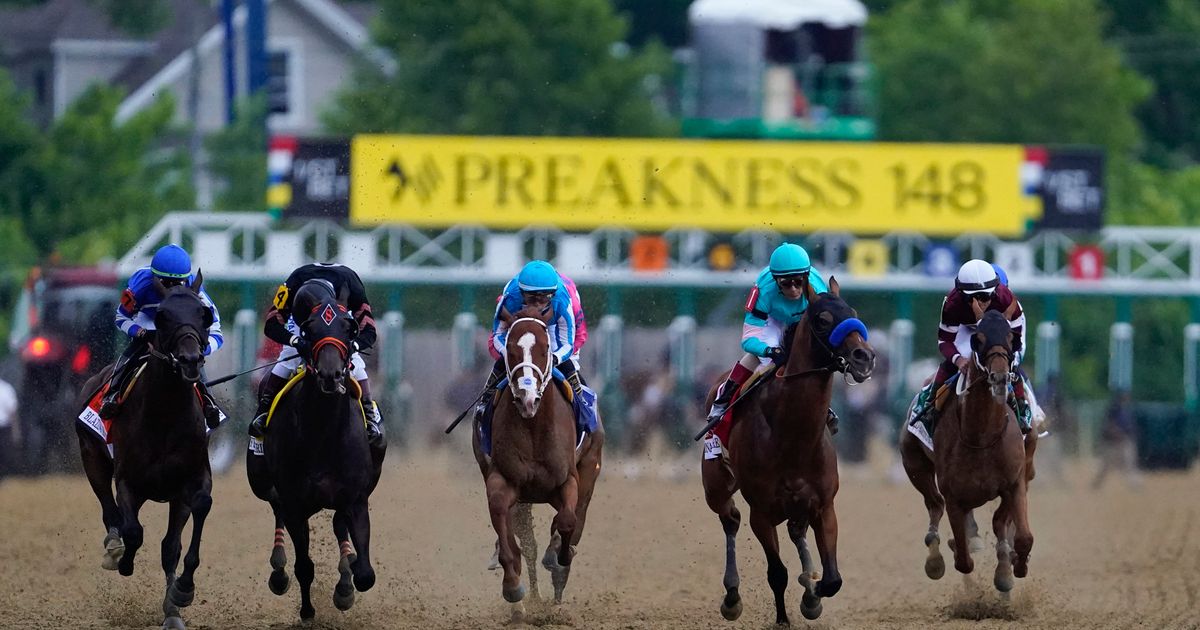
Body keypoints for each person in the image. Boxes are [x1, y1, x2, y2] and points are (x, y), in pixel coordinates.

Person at [705, 242, 840, 433]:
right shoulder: (764, 291)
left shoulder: (817, 289)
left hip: (803, 318)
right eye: (786, 283)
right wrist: (768, 350)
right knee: (766, 360)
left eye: (798, 282)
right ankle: (723, 398)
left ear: (806, 277)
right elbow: (749, 339)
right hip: (773, 319)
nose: (794, 289)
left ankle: (824, 406)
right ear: (776, 280)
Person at [247, 263, 382, 446]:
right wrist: (296, 342)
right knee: (287, 361)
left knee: (357, 365)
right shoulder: (294, 282)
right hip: (303, 323)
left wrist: (353, 346)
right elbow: (271, 325)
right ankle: (263, 412)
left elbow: (370, 331)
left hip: (339, 324)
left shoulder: (351, 283)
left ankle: (370, 416)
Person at [99, 244, 223, 426]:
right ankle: (112, 394)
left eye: (178, 283)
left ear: (186, 279)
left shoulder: (195, 288)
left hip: (177, 327)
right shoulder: (140, 285)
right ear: (155, 278)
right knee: (134, 351)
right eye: (165, 283)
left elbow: (217, 331)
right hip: (149, 320)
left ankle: (209, 402)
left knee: (194, 358)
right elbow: (121, 317)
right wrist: (141, 333)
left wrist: (200, 350)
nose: (172, 289)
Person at [909, 259, 1032, 431]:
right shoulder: (952, 304)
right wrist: (958, 360)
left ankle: (1023, 408)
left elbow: (1016, 339)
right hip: (965, 330)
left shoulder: (1006, 299)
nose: (981, 302)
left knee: (1008, 364)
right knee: (950, 365)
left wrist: (1010, 360)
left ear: (995, 290)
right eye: (973, 298)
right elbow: (945, 341)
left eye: (985, 297)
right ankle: (929, 405)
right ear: (962, 294)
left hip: (998, 330)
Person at [474, 260, 581, 425]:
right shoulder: (511, 298)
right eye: (532, 298)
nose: (538, 304)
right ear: (522, 293)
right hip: (518, 323)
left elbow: (567, 344)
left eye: (544, 298)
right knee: (504, 361)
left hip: (552, 326)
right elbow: (498, 335)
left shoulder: (562, 300)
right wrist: (510, 354)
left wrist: (554, 358)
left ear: (553, 294)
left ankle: (582, 404)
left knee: (566, 365)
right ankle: (484, 402)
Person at [1092, 390, 1142, 490]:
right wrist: (1118, 433)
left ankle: (1134, 484)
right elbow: (1108, 425)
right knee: (1106, 465)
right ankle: (1097, 484)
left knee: (1129, 463)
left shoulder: (1126, 409)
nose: (1127, 397)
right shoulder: (1114, 408)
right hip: (1112, 442)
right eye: (1125, 395)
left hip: (1124, 441)